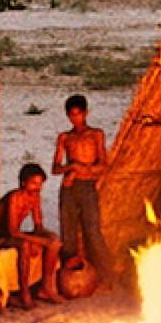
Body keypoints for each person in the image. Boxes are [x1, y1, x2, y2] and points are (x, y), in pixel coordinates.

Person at [52, 93, 114, 285]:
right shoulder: (64, 137)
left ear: (86, 113)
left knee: (93, 231)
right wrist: (71, 167)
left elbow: (103, 166)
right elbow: (55, 169)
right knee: (68, 232)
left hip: (87, 186)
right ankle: (70, 279)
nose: (75, 119)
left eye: (78, 114)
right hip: (69, 188)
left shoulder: (96, 135)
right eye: (71, 115)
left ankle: (108, 274)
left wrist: (82, 169)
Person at [0, 162, 62, 305]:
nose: (37, 187)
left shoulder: (35, 197)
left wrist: (44, 238)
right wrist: (36, 241)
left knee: (54, 239)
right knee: (25, 244)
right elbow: (12, 231)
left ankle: (47, 287)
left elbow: (38, 225)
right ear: (23, 182)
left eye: (40, 184)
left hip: (13, 235)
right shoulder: (13, 198)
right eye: (33, 183)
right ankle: (24, 292)